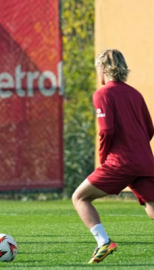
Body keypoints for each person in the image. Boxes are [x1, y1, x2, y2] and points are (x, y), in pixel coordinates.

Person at [72, 49, 154, 264]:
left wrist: (104, 156)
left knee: (79, 198)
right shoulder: (135, 93)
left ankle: (104, 242)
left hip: (120, 162)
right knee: (153, 209)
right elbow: (149, 128)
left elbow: (106, 130)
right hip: (145, 161)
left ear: (102, 68)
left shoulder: (103, 94)